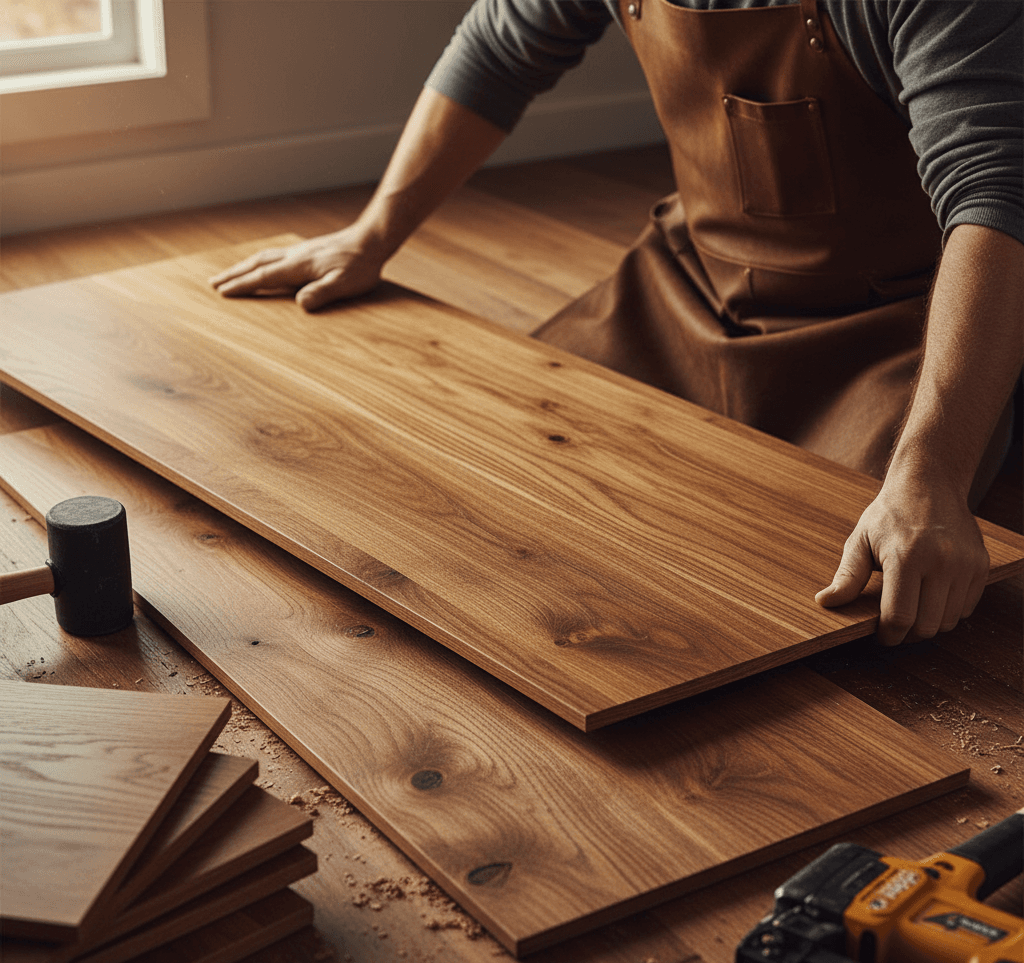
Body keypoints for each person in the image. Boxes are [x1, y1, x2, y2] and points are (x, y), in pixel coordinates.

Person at [210, 0, 1023, 647]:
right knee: (501, 469)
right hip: (686, 285)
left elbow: (995, 196)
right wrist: (371, 235)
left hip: (898, 326)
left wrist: (933, 474)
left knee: (808, 590)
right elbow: (499, 49)